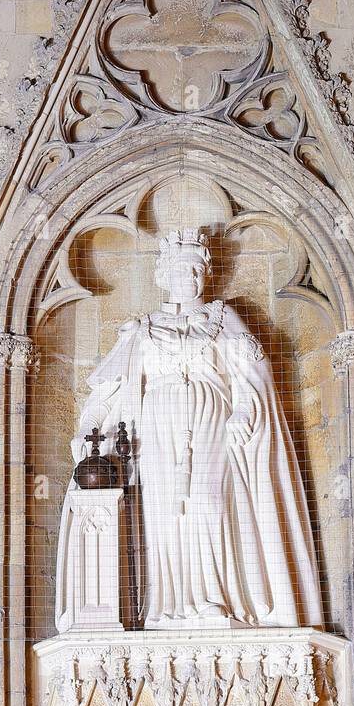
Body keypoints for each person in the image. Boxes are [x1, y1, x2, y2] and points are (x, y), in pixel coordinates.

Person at [55, 227, 323, 631]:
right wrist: (92, 425)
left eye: (197, 270)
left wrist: (244, 411)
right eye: (181, 270)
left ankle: (215, 598)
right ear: (164, 275)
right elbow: (110, 388)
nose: (190, 277)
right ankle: (167, 606)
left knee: (210, 504)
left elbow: (253, 374)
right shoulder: (140, 329)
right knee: (164, 516)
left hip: (212, 423)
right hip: (155, 430)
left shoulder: (222, 318)